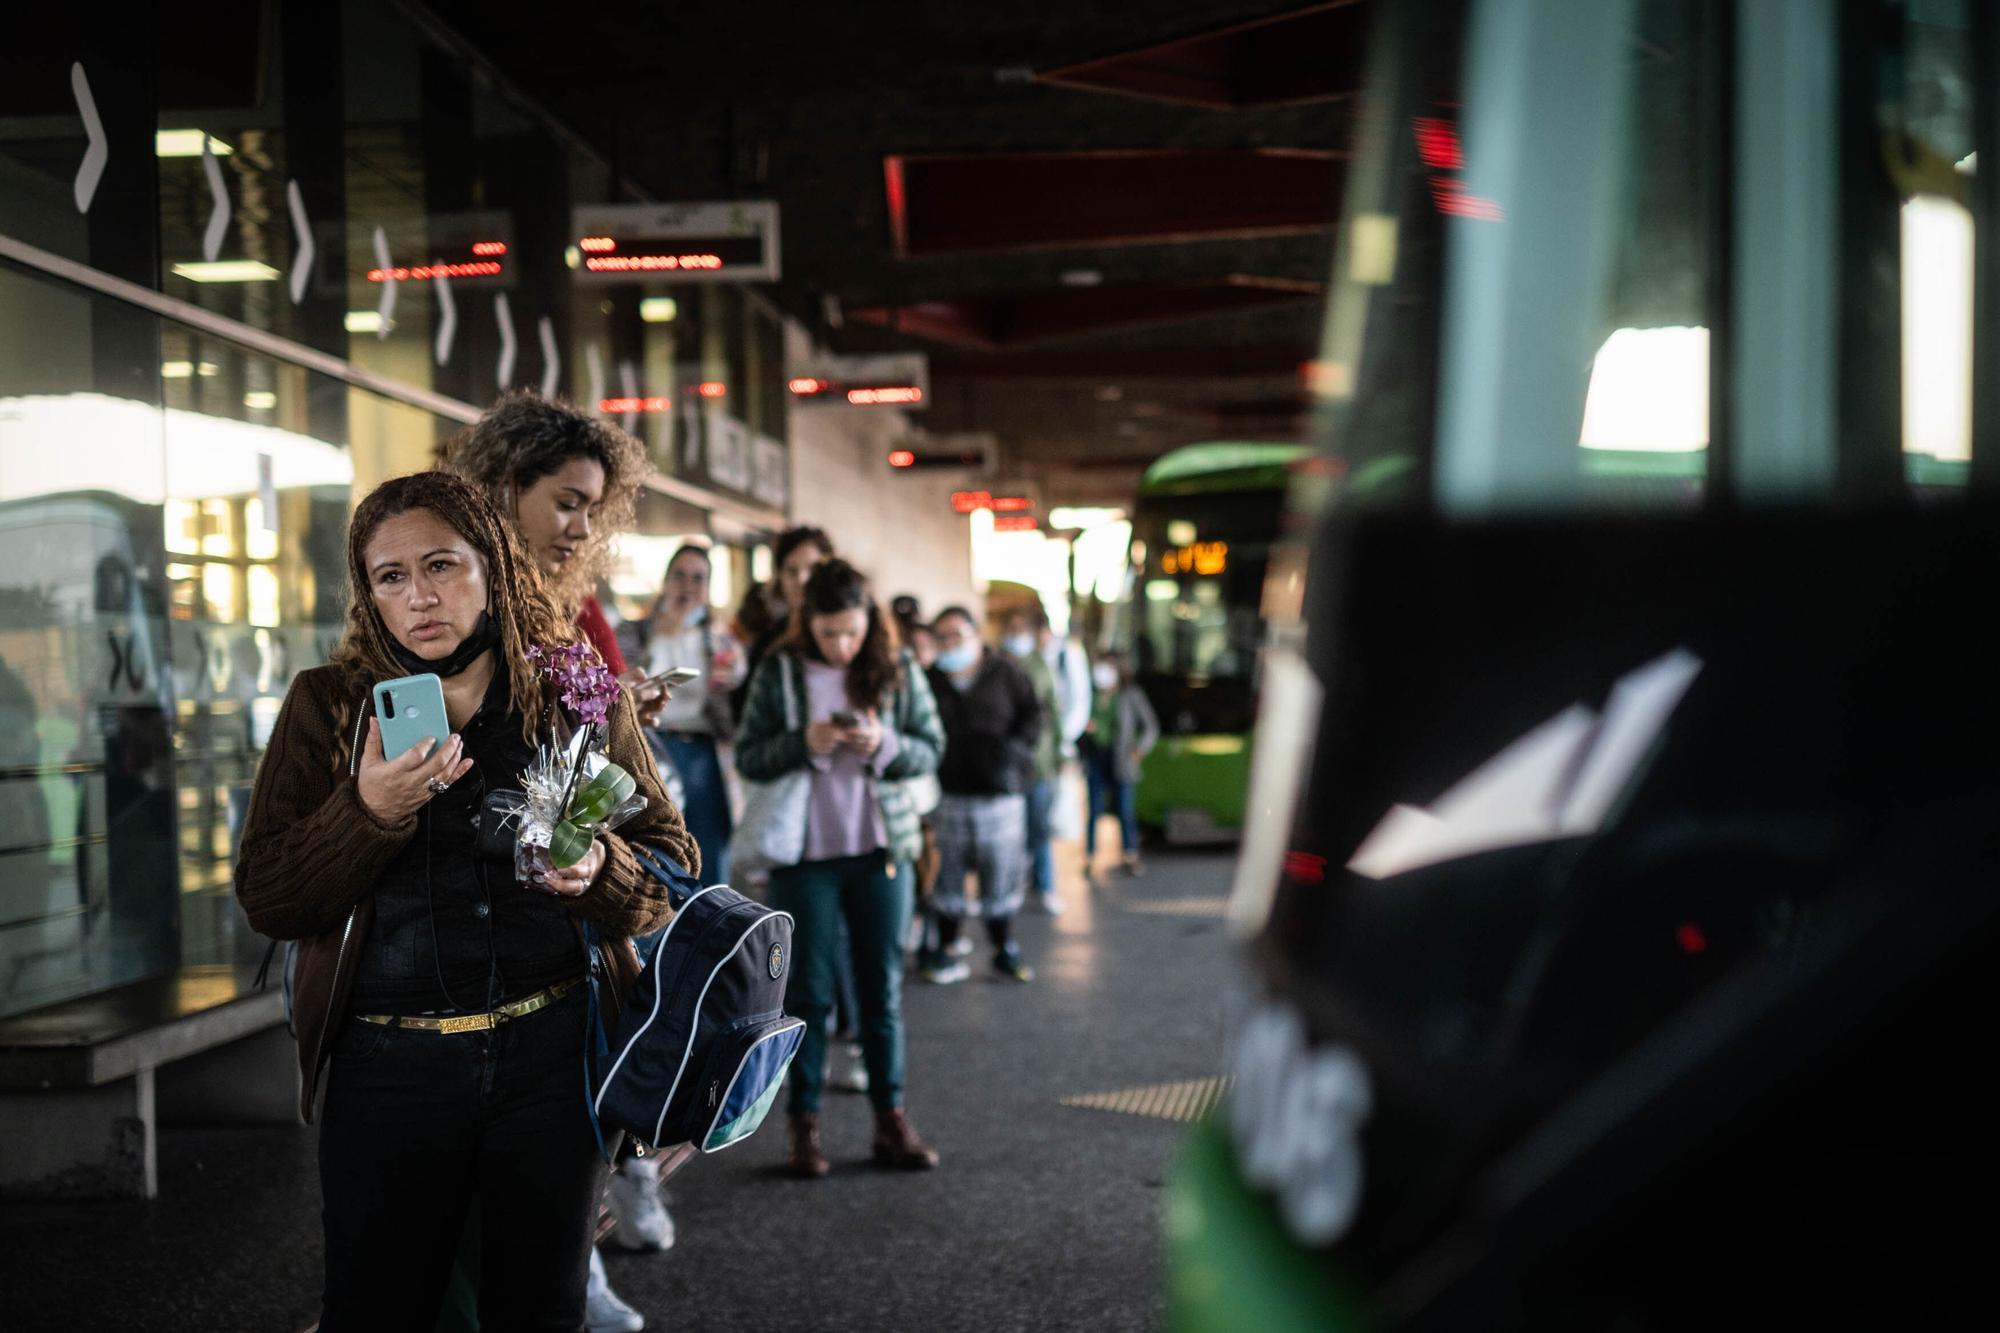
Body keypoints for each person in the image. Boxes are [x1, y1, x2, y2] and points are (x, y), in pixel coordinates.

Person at [233, 472, 697, 1332]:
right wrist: (368, 812)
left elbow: (670, 867)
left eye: (442, 565)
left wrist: (597, 873)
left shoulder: (572, 694)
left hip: (551, 1062)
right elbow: (268, 893)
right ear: (368, 592)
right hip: (390, 1069)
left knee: (541, 1310)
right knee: (378, 1309)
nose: (420, 597)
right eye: (391, 576)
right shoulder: (329, 707)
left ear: (492, 567)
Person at [440, 389, 669, 1326]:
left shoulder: (567, 621)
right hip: (437, 973)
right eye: (566, 500)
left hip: (544, 946)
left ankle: (576, 1275)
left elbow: (654, 836)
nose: (582, 524)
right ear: (502, 487)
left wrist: (615, 740)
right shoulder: (437, 621)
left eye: (592, 506)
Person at [734, 559, 945, 1177]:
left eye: (852, 633)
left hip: (883, 852)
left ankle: (891, 1119)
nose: (842, 646)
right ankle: (804, 1127)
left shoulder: (896, 669)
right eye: (830, 634)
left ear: (869, 624)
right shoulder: (780, 670)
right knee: (807, 994)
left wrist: (888, 745)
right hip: (805, 858)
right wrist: (803, 742)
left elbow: (933, 747)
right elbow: (750, 755)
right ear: (809, 624)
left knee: (882, 990)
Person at [919, 606, 1043, 984]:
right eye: (942, 637)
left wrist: (1016, 757)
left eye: (958, 634)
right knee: (947, 876)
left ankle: (1003, 947)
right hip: (947, 795)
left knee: (1001, 875)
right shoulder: (928, 680)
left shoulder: (1006, 673)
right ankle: (947, 948)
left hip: (999, 797)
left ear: (976, 635)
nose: (951, 643)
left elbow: (1034, 717)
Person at [617, 544, 747, 889]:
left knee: (709, 845)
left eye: (698, 578)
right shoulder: (637, 631)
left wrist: (733, 675)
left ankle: (711, 924)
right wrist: (664, 631)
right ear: (665, 581)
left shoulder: (720, 640)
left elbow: (735, 687)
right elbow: (624, 676)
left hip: (703, 748)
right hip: (653, 742)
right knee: (657, 843)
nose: (688, 586)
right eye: (680, 576)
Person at [1001, 607, 1065, 917]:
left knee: (1038, 829)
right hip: (1006, 766)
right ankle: (1013, 887)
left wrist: (1060, 753)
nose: (1016, 638)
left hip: (1037, 764)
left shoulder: (1041, 668)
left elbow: (1054, 713)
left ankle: (1045, 886)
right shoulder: (997, 668)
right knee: (1009, 832)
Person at [1081, 650, 1160, 877]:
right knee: (1094, 808)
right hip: (1096, 757)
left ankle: (1130, 854)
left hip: (1121, 759)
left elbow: (1150, 727)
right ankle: (1090, 855)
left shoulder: (1130, 695)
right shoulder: (1091, 695)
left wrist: (1139, 749)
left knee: (1125, 809)